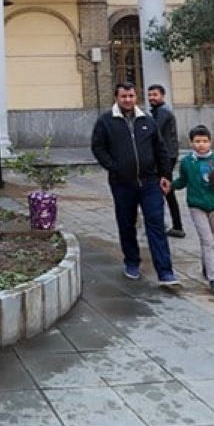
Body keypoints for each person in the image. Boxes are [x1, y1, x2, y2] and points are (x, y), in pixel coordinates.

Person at [91, 81, 180, 287]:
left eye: (131, 96)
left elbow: (160, 149)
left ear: (135, 97)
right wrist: (114, 167)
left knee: (156, 223)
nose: (128, 100)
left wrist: (165, 175)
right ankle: (131, 262)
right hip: (122, 183)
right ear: (117, 97)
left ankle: (165, 272)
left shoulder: (147, 120)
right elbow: (98, 147)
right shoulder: (106, 121)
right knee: (126, 223)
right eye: (124, 96)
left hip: (150, 182)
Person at [169, 125, 214, 298]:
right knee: (207, 240)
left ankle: (207, 265)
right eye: (197, 141)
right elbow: (183, 180)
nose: (201, 144)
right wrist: (170, 186)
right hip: (196, 206)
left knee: (213, 240)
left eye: (204, 141)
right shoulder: (187, 162)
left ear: (210, 142)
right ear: (191, 143)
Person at [148, 83, 184, 238]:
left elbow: (154, 132)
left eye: (155, 95)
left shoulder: (162, 112)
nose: (151, 98)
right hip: (167, 155)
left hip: (166, 156)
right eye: (150, 95)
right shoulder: (158, 111)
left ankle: (175, 226)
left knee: (164, 189)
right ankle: (174, 225)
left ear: (162, 96)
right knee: (165, 190)